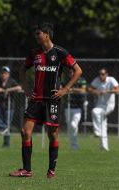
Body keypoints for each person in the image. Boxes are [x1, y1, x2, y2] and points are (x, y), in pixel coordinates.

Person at [9, 21, 82, 178]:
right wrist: (27, 89)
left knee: (53, 134)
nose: (36, 36)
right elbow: (22, 70)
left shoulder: (60, 52)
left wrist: (65, 89)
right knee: (24, 131)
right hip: (36, 99)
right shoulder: (34, 53)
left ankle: (51, 171)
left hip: (52, 100)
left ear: (46, 35)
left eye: (38, 33)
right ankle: (27, 170)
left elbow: (78, 70)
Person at [88, 68, 119, 151]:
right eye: (100, 74)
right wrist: (97, 91)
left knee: (95, 112)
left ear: (106, 74)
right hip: (100, 104)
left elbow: (118, 90)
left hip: (109, 105)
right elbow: (89, 89)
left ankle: (97, 131)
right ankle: (104, 147)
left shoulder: (111, 80)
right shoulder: (97, 80)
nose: (101, 76)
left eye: (103, 74)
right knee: (103, 124)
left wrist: (107, 91)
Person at [0, 66, 21, 135]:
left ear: (8, 74)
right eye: (2, 73)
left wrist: (8, 90)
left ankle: (6, 144)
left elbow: (19, 88)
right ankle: (4, 127)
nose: (3, 75)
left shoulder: (11, 81)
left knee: (7, 125)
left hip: (9, 106)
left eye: (5, 73)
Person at [64, 69, 87, 150]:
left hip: (77, 107)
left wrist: (72, 90)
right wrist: (66, 90)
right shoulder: (66, 81)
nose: (71, 74)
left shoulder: (81, 80)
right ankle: (73, 145)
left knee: (74, 125)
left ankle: (75, 144)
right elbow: (61, 89)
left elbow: (83, 90)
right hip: (68, 107)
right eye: (69, 72)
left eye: (72, 72)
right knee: (70, 127)